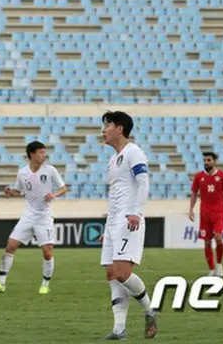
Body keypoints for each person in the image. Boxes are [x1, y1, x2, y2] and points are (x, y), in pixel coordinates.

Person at [98, 111, 157, 341]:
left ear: (119, 128)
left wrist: (136, 212)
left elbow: (143, 182)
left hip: (128, 220)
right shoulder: (113, 159)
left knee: (123, 273)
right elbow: (115, 195)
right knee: (112, 274)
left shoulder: (134, 152)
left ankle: (150, 310)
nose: (103, 130)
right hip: (113, 222)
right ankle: (119, 329)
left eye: (107, 125)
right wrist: (107, 229)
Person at [0, 141, 68, 295]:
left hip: (44, 216)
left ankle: (45, 284)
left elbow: (63, 188)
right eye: (41, 153)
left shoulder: (50, 170)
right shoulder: (22, 173)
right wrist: (11, 192)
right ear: (32, 154)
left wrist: (54, 194)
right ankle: (1, 283)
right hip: (28, 215)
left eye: (44, 152)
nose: (44, 155)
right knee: (10, 247)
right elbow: (18, 190)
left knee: (47, 252)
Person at [189, 151, 223, 277]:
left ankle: (219, 265)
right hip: (205, 214)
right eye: (204, 160)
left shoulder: (222, 176)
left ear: (215, 161)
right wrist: (191, 209)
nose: (206, 162)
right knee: (207, 242)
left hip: (219, 213)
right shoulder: (199, 177)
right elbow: (194, 194)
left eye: (209, 160)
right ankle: (212, 269)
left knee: (218, 238)